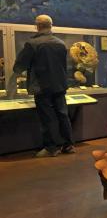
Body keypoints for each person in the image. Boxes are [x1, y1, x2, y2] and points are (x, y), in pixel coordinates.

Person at [13, 15, 75, 157]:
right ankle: (69, 144)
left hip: (41, 87)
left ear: (37, 26)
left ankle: (51, 148)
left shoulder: (32, 44)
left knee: (47, 118)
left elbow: (19, 66)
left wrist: (16, 70)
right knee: (62, 115)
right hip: (59, 85)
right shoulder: (61, 43)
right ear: (51, 25)